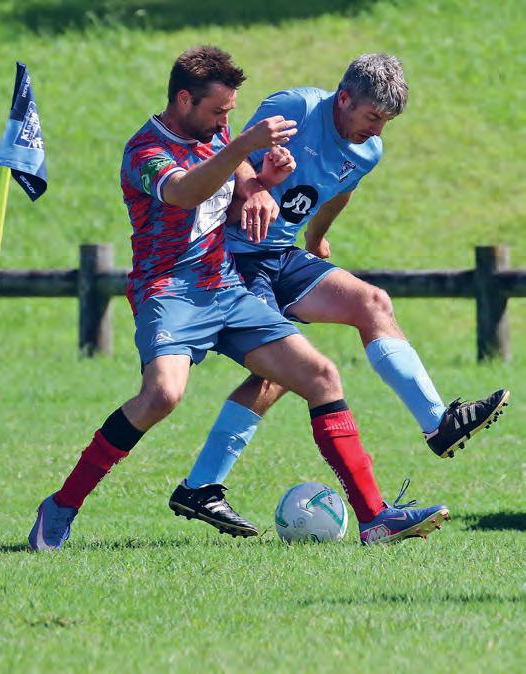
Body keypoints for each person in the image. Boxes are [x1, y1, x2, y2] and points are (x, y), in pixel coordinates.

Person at [28, 46, 449, 551]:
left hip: (224, 284)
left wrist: (264, 183)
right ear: (184, 100)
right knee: (162, 396)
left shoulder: (217, 136)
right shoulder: (145, 151)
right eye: (218, 112)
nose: (226, 121)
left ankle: (374, 518)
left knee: (321, 376)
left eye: (230, 113)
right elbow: (185, 192)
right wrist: (245, 146)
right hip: (169, 290)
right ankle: (60, 506)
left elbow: (227, 199)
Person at [168, 52, 509, 534]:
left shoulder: (368, 150)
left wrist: (316, 236)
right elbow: (231, 148)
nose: (378, 131)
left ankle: (439, 424)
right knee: (284, 372)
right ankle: (203, 486)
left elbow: (339, 190)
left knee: (373, 303)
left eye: (386, 122)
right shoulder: (297, 108)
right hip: (232, 255)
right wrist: (254, 187)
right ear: (344, 98)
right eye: (373, 117)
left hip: (280, 254)